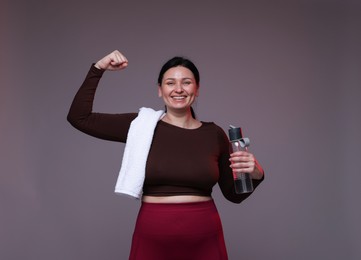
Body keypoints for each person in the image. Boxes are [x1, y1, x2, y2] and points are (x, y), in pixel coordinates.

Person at [67, 50, 264, 260]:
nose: (178, 89)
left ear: (197, 89)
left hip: (205, 238)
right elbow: (79, 117)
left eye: (186, 82)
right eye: (170, 83)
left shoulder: (214, 134)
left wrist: (257, 173)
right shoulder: (141, 127)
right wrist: (98, 68)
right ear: (159, 90)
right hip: (152, 238)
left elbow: (233, 195)